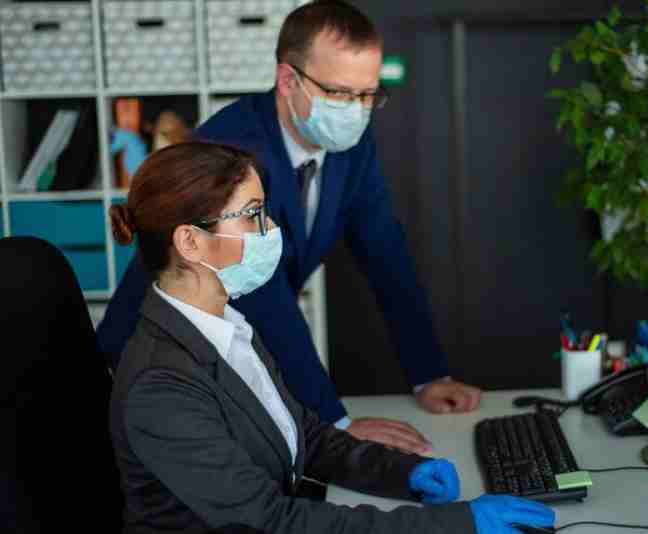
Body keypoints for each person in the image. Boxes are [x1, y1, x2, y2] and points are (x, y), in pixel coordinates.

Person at [107, 141, 555, 534]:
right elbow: (271, 522)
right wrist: (455, 525)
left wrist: (400, 473)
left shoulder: (225, 325)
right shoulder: (160, 385)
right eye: (252, 215)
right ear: (190, 242)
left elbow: (301, 434)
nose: (270, 230)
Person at [98, 0, 481, 454]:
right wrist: (334, 421)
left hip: (232, 354)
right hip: (160, 361)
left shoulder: (350, 143)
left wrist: (428, 374)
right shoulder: (231, 150)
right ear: (287, 80)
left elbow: (385, 251)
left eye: (368, 95)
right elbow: (266, 297)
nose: (357, 111)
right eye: (340, 93)